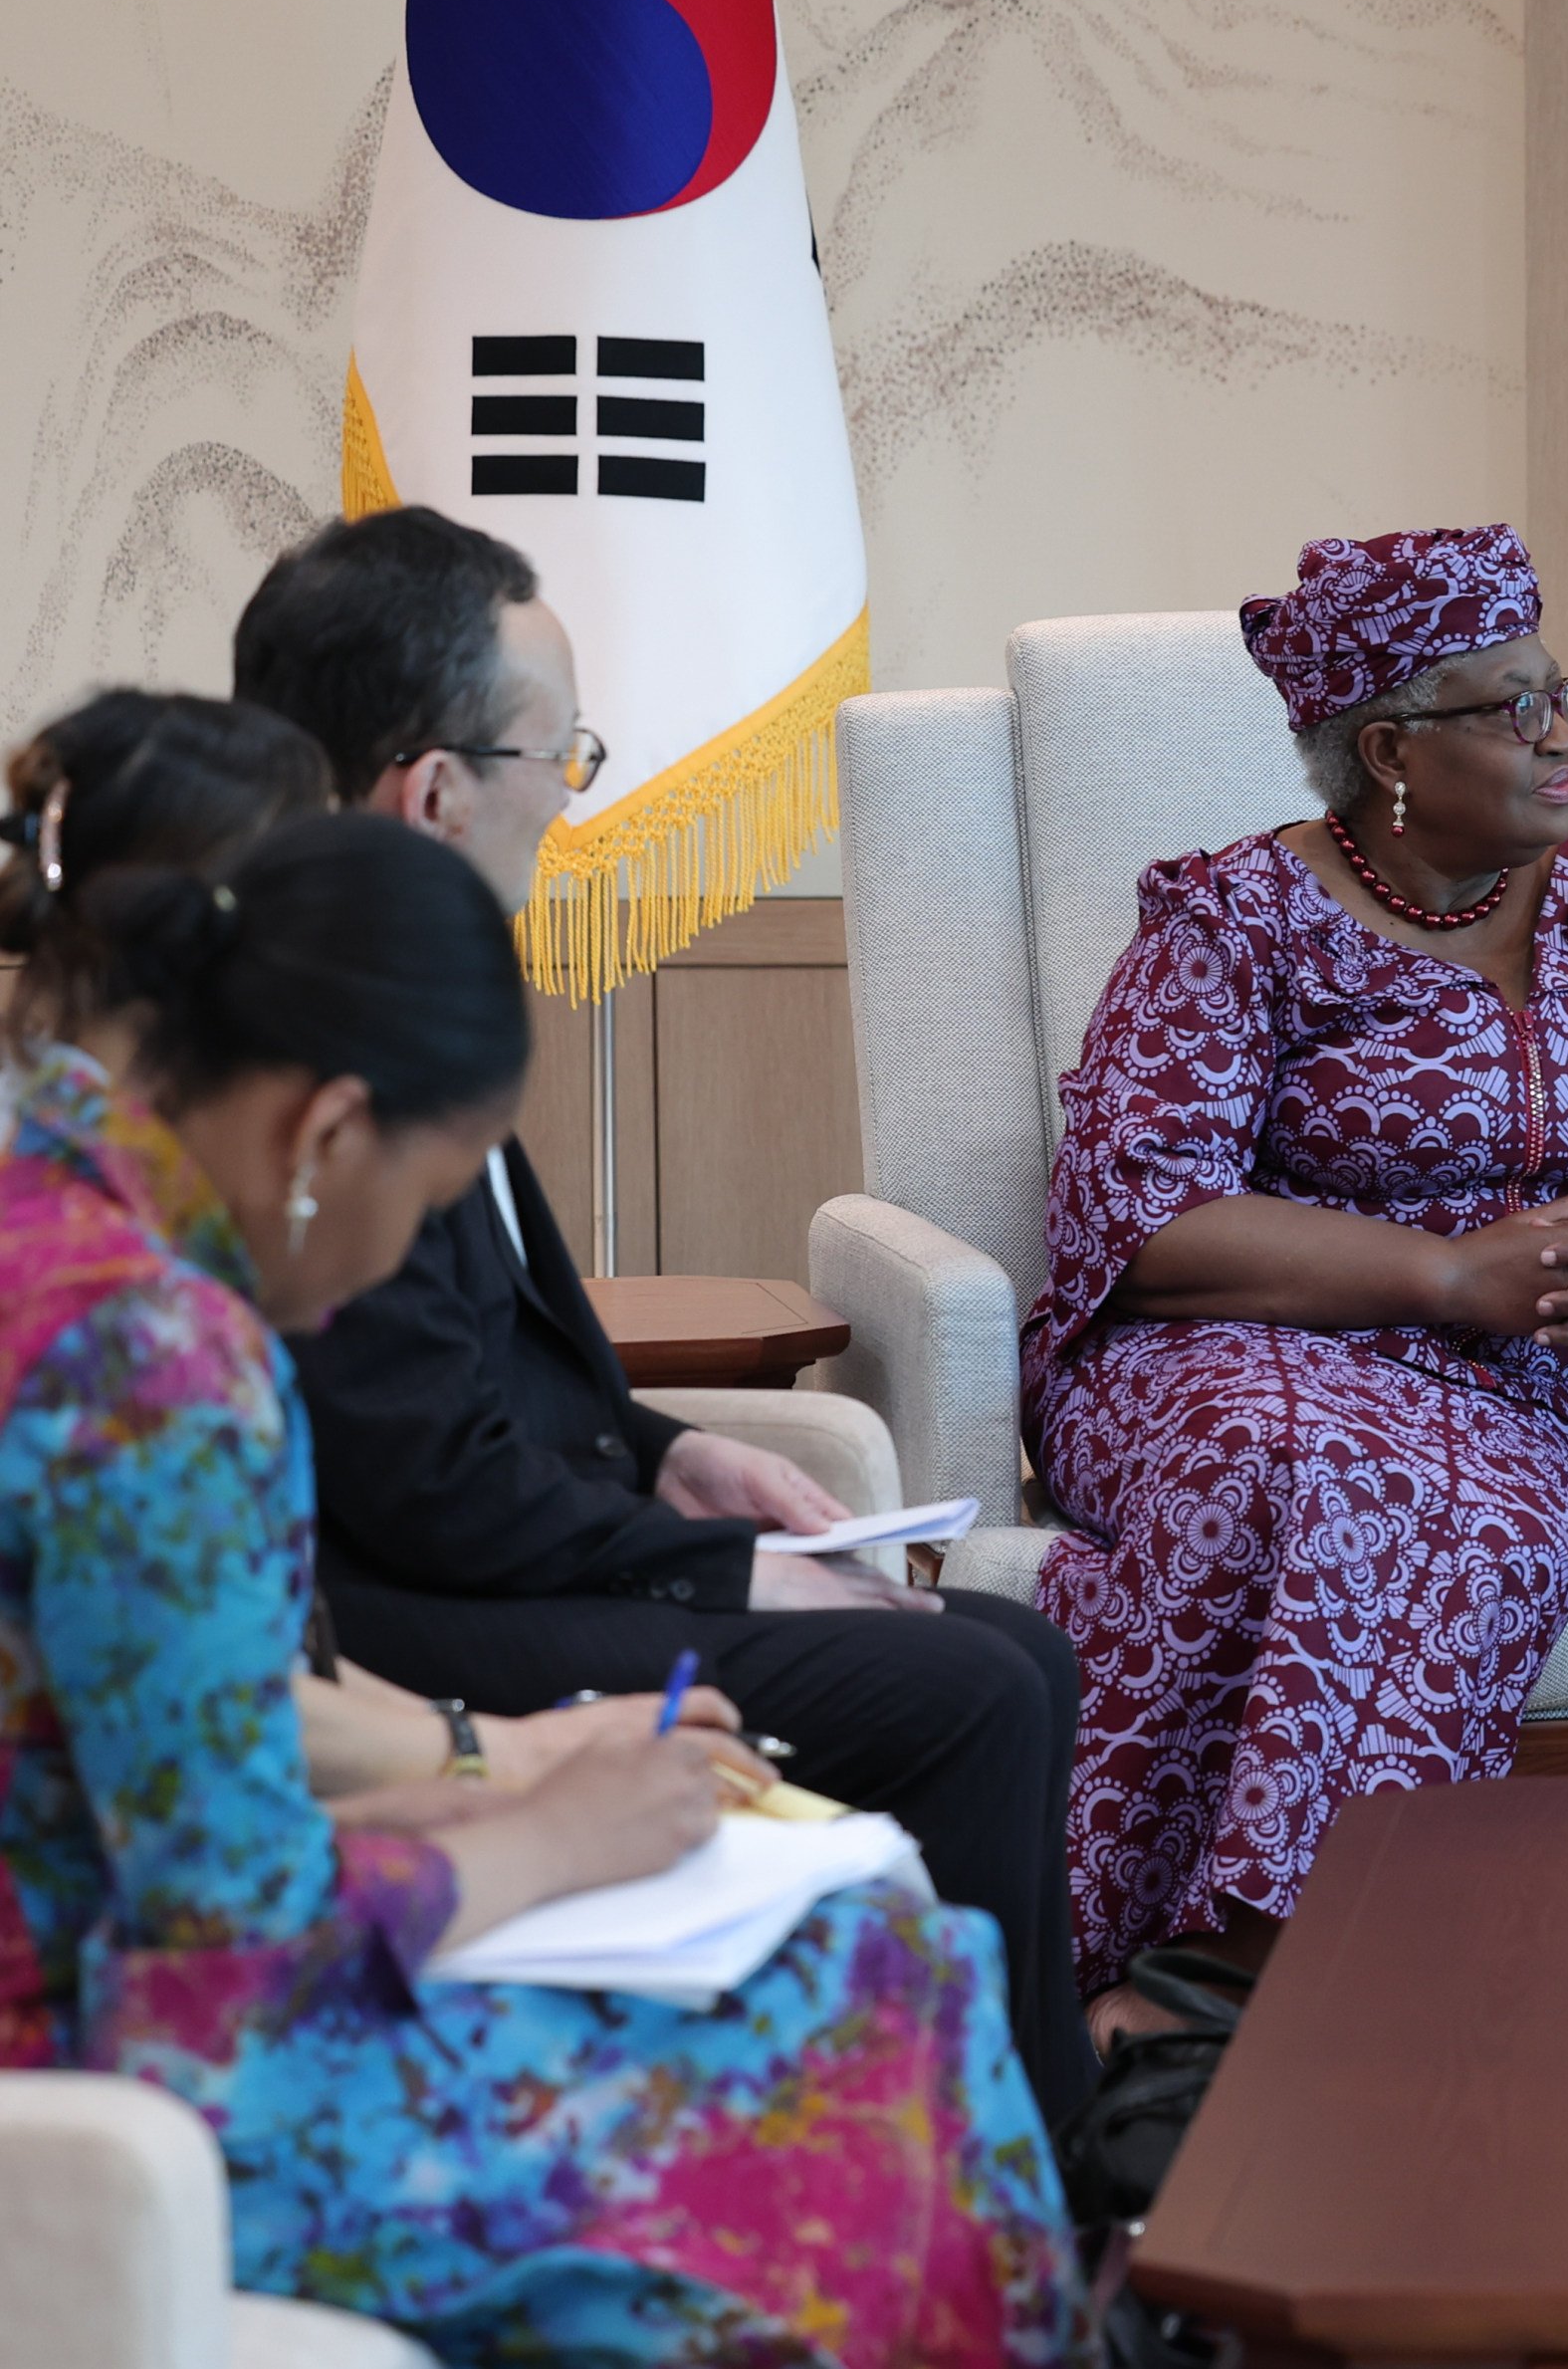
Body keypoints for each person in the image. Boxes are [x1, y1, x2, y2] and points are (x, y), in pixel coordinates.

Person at [0, 809, 1075, 2361]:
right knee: (872, 2010)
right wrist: (550, 1836)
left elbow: (160, 1764)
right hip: (120, 2076)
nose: (379, 1279)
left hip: (96, 1959)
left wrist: (496, 1769)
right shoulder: (158, 1359)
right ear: (325, 1135)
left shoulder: (50, 1189)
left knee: (891, 1965)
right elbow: (224, 1960)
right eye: (421, 1200)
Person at [229, 507, 1094, 2123]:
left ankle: (1046, 2175)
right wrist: (729, 1572)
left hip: (489, 1558)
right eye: (561, 758)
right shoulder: (311, 1042)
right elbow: (419, 1475)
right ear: (433, 790)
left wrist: (669, 1454)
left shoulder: (408, 978)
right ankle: (984, 2178)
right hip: (404, 1607)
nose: (572, 799)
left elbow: (488, 1362)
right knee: (968, 1688)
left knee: (1020, 1656)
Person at [1027, 525, 1568, 2012]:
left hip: (1506, 1393)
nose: (1563, 729)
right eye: (1512, 704)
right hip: (1218, 1352)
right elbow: (1133, 1208)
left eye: (1561, 688)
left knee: (1453, 1511)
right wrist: (1450, 1275)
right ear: (1389, 745)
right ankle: (1173, 1973)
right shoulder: (1236, 919)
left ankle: (1234, 1980)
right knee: (1293, 1463)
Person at [0, 689, 775, 1799]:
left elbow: (207, 1686)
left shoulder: (102, 1197)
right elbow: (223, 1895)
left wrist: (501, 1758)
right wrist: (526, 1796)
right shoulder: (152, 1330)